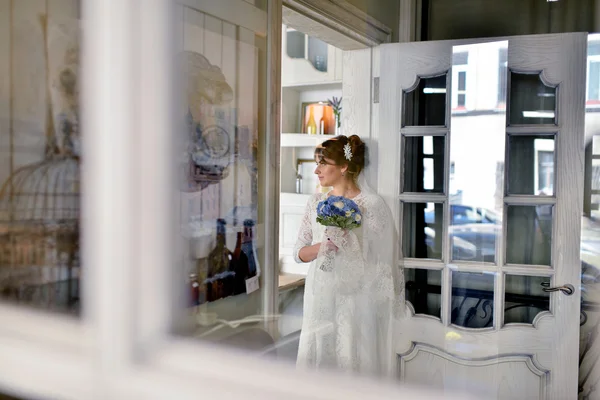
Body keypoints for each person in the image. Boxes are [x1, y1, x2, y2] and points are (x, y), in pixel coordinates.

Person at [294, 134, 404, 377]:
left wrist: (350, 243)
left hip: (355, 295)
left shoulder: (371, 204)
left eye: (323, 164)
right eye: (317, 163)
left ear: (343, 167)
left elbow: (383, 262)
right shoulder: (315, 202)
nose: (316, 171)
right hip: (319, 293)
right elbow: (298, 253)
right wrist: (325, 246)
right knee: (319, 353)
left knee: (352, 356)